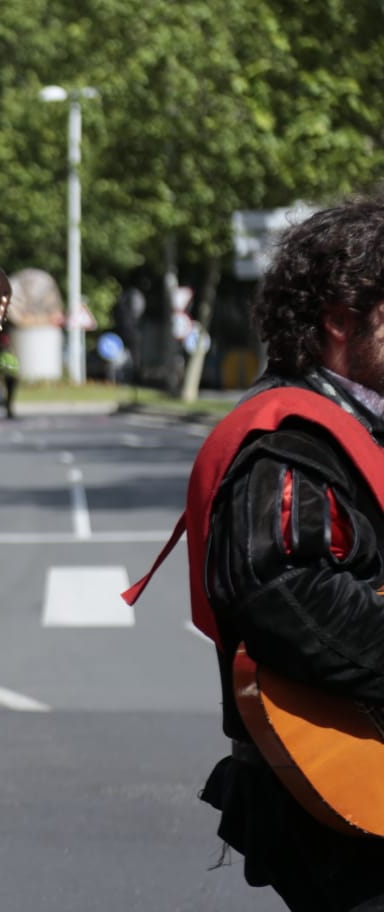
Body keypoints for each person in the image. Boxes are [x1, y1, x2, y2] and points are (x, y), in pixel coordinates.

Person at [126, 194, 384, 911]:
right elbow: (280, 590)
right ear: (340, 320)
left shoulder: (354, 424)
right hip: (344, 778)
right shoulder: (285, 438)